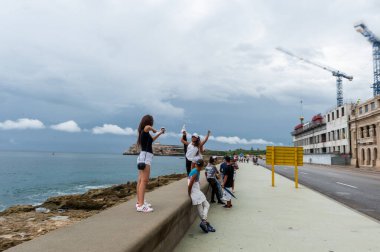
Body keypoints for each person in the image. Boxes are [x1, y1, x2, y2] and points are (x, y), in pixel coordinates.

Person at [135, 115, 165, 213]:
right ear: (148, 122)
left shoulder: (143, 133)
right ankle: (141, 205)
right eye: (151, 122)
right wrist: (155, 130)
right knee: (144, 181)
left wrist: (159, 133)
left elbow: (151, 140)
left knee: (140, 181)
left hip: (142, 157)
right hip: (145, 158)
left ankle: (139, 202)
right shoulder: (146, 129)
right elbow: (148, 127)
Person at [188, 159, 216, 233]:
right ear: (202, 166)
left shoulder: (195, 170)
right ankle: (205, 223)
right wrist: (189, 193)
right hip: (194, 192)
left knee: (206, 205)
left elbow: (191, 182)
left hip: (197, 191)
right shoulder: (195, 172)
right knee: (201, 208)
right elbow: (190, 184)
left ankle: (204, 222)